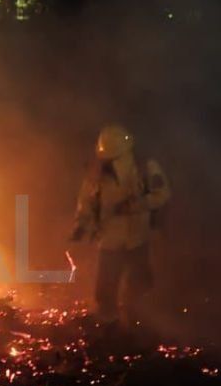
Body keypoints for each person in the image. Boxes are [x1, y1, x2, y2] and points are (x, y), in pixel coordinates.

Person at [71, 124, 171, 328]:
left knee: (140, 286)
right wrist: (81, 226)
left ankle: (139, 325)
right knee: (105, 292)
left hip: (137, 239)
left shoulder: (145, 168)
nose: (107, 162)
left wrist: (136, 205)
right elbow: (86, 203)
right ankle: (110, 330)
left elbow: (162, 194)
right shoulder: (96, 174)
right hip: (109, 242)